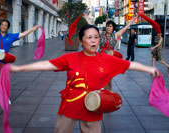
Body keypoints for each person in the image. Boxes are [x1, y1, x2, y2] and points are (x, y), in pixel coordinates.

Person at [10, 25, 159, 133]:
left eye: (96, 37)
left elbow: (129, 65)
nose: (94, 41)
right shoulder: (70, 57)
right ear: (81, 41)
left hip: (93, 103)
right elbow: (47, 65)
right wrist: (20, 68)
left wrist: (149, 69)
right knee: (61, 130)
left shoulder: (106, 59)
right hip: (71, 102)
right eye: (89, 37)